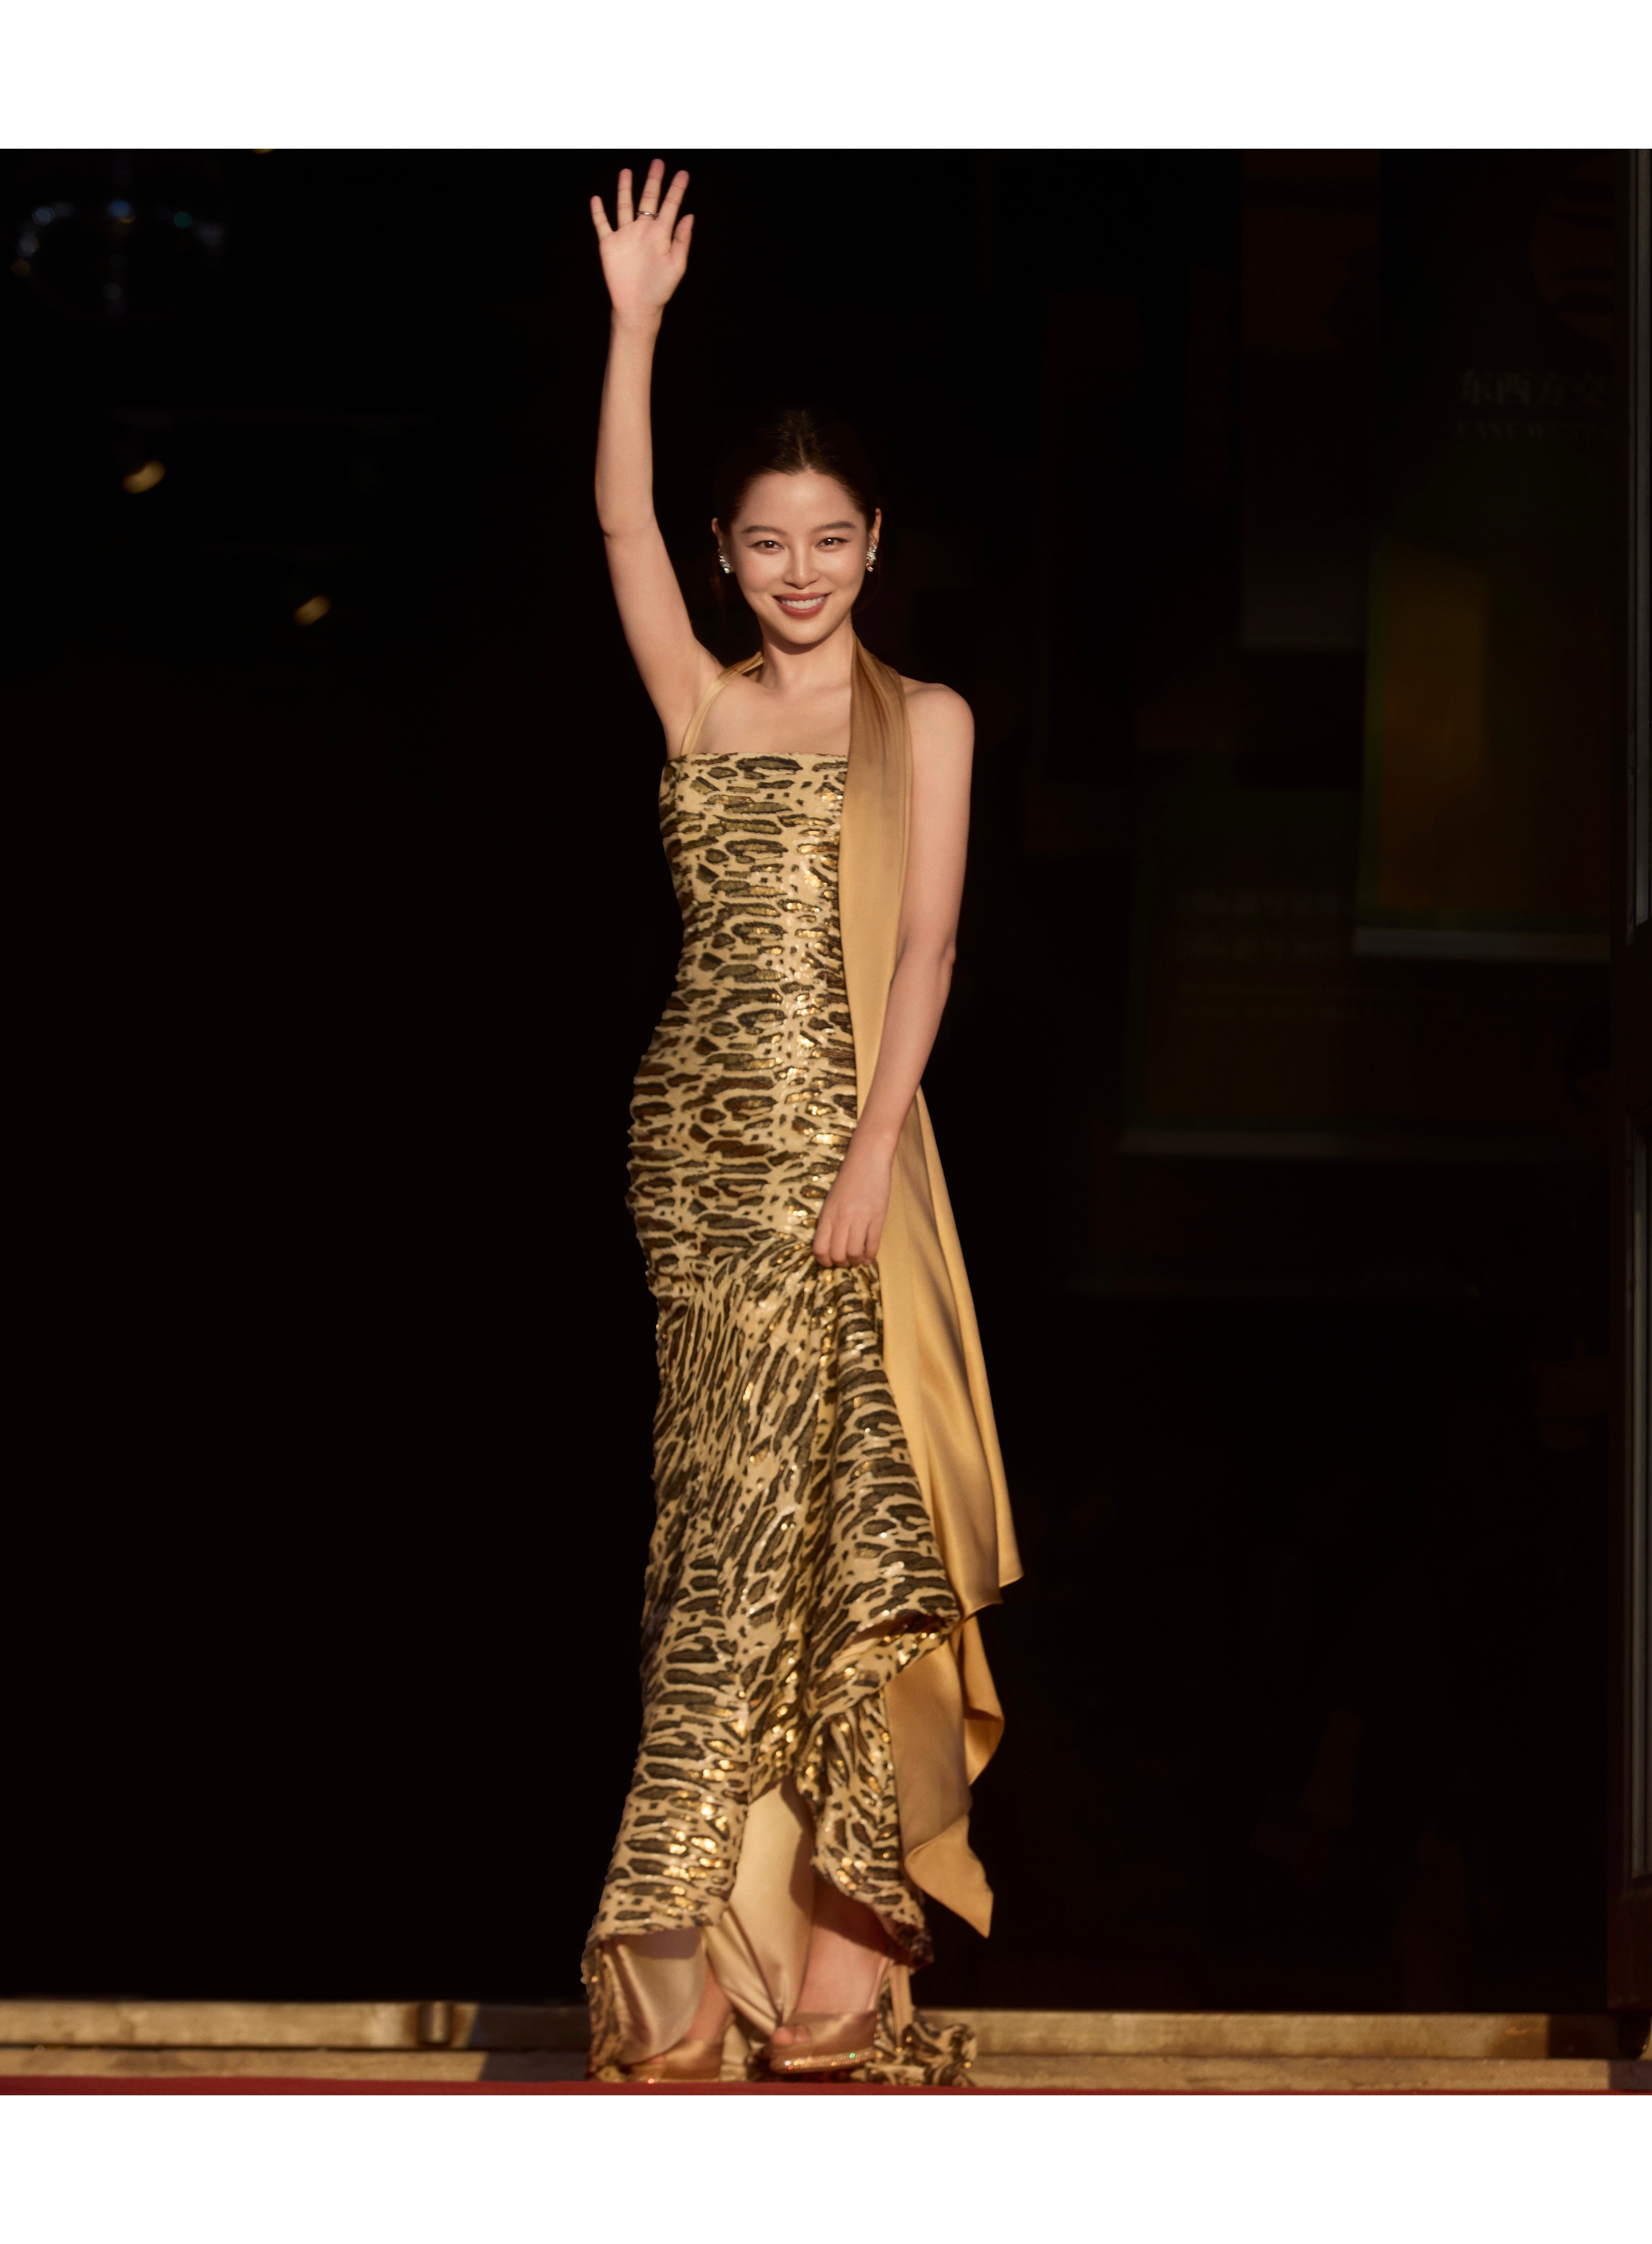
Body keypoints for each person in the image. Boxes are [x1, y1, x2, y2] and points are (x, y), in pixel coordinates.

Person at [578, 159, 1020, 2086]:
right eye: (767, 543)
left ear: (874, 542)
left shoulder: (930, 724)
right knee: (728, 1539)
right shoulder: (700, 704)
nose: (801, 570)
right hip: (699, 1161)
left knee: (860, 1545)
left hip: (853, 1166)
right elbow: (612, 517)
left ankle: (839, 1975)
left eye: (830, 538)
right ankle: (690, 1957)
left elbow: (926, 953)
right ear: (727, 554)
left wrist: (867, 1151)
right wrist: (636, 326)